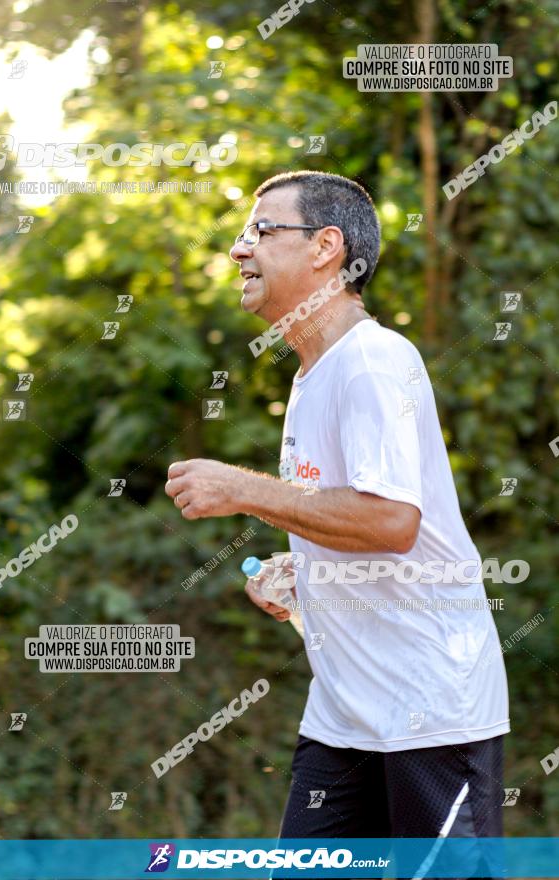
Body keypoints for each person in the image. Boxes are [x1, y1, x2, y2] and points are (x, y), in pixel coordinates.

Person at [165, 171, 509, 877]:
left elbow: (389, 522)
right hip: (343, 719)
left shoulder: (373, 363)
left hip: (428, 715)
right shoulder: (311, 374)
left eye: (261, 230)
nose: (239, 249)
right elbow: (350, 522)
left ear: (326, 247)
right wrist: (307, 575)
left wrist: (242, 489)